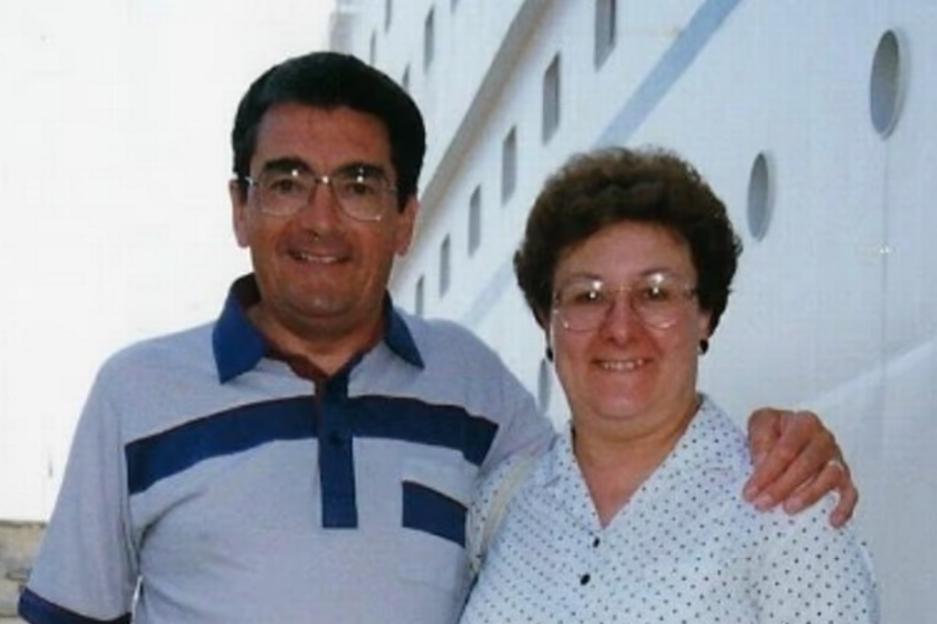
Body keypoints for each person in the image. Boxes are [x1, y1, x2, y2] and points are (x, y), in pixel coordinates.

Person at [20, 53, 855, 624]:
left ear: (406, 218)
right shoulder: (135, 394)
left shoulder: (473, 388)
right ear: (240, 207)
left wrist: (786, 436)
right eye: (285, 182)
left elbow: (629, 439)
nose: (320, 219)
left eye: (357, 185)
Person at [460, 147, 878, 623]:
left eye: (655, 292)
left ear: (704, 314)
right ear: (546, 319)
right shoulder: (500, 505)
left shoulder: (788, 508)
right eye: (587, 296)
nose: (620, 328)